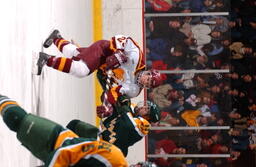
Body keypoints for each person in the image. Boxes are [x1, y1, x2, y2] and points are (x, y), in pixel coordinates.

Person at [0, 94, 128, 167]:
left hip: (55, 159)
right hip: (55, 139)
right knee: (15, 118)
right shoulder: (114, 157)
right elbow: (68, 149)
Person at [35, 29, 163, 101]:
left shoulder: (134, 90)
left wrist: (108, 104)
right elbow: (122, 39)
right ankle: (46, 59)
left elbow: (116, 92)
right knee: (81, 70)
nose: (146, 81)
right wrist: (118, 53)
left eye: (149, 84)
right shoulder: (137, 56)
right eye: (149, 78)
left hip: (103, 67)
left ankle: (56, 38)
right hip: (104, 51)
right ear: (148, 72)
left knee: (74, 54)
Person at [67, 94, 161, 157]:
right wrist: (107, 107)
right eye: (145, 106)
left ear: (148, 117)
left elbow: (128, 124)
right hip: (101, 136)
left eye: (146, 109)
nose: (142, 107)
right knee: (75, 125)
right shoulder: (130, 108)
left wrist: (124, 107)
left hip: (110, 150)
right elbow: (112, 101)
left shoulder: (145, 126)